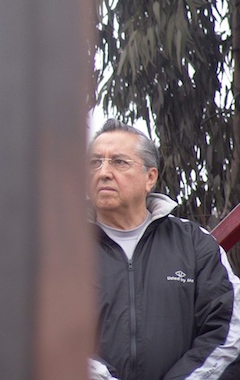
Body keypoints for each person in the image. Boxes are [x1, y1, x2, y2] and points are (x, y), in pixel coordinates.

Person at [88, 118, 240, 380]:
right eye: (95, 163)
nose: (103, 172)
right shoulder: (62, 251)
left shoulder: (194, 244)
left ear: (150, 177)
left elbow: (229, 330)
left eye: (119, 162)